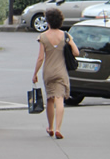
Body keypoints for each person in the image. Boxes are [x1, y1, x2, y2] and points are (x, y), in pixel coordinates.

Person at [32, 7, 79, 139]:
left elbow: (40, 58)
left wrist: (35, 73)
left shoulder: (42, 37)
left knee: (50, 100)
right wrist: (68, 44)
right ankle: (58, 128)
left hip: (48, 72)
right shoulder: (66, 35)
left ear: (48, 22)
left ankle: (50, 127)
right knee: (59, 99)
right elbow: (76, 53)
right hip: (61, 71)